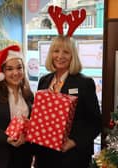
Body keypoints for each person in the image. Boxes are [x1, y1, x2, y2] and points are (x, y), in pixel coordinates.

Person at [33, 35, 102, 168]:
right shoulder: (44, 81)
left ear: (73, 56)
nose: (60, 56)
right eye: (56, 51)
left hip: (72, 156)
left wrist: (74, 141)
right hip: (44, 154)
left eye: (66, 52)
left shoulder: (84, 83)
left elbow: (95, 123)